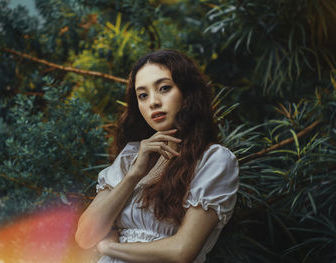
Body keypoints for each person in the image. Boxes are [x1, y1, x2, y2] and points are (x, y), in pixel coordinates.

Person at [75, 50, 239, 263]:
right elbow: (85, 236)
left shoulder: (215, 160)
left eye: (164, 88)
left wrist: (110, 246)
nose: (153, 102)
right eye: (143, 95)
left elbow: (181, 251)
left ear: (188, 92)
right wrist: (134, 174)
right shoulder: (131, 156)